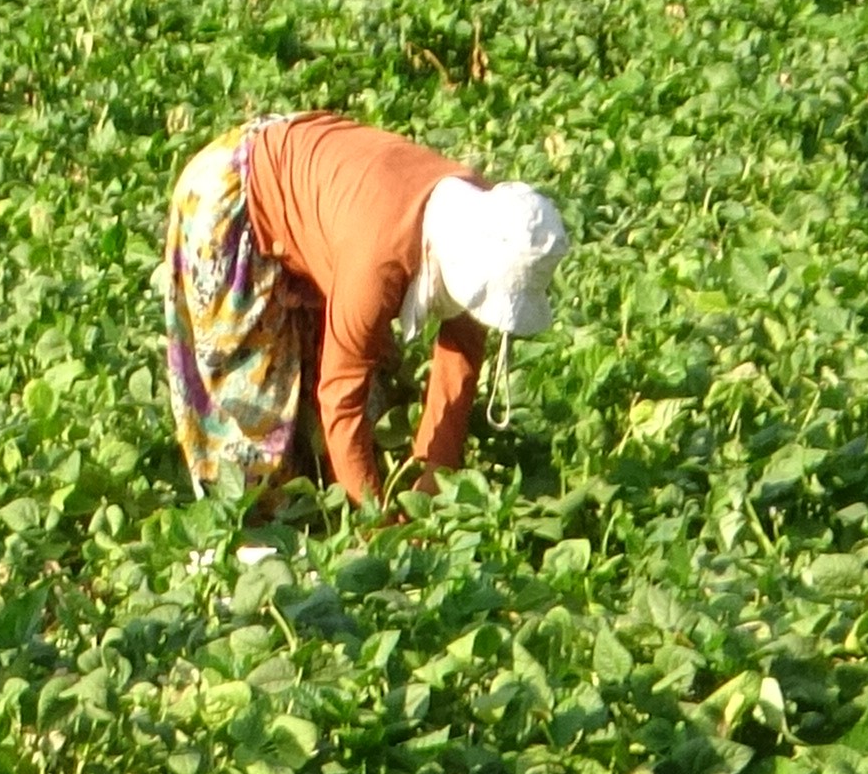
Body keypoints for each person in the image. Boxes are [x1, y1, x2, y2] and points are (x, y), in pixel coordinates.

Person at [159, 112, 568, 509]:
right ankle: (256, 530)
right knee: (254, 422)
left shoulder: (490, 220)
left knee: (364, 412)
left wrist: (435, 476)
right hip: (232, 193)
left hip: (321, 189)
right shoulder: (378, 263)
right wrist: (376, 521)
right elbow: (341, 396)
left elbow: (460, 356)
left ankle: (327, 492)